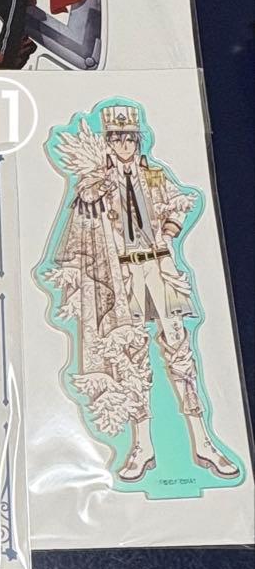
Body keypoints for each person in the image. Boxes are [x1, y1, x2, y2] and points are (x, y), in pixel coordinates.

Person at [49, 103, 240, 483]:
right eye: (117, 138)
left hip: (159, 268)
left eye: (129, 138)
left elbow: (179, 205)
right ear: (108, 142)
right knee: (132, 360)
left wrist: (168, 235)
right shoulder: (95, 183)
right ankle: (142, 447)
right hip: (121, 274)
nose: (124, 145)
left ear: (138, 141)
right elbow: (81, 229)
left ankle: (203, 441)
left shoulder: (154, 175)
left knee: (180, 353)